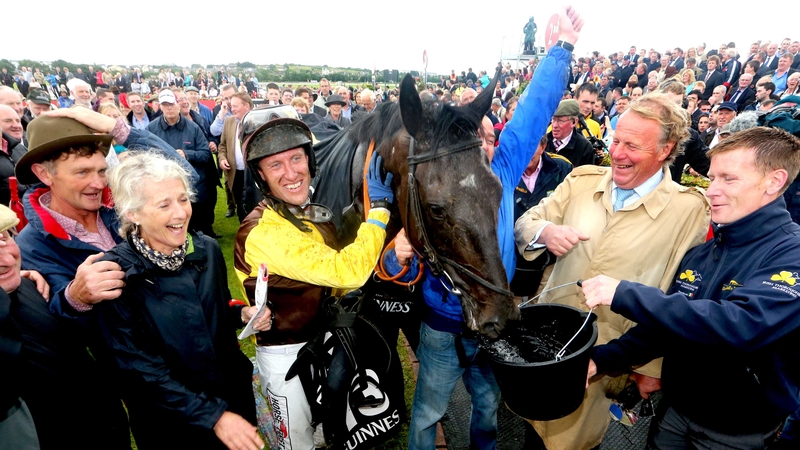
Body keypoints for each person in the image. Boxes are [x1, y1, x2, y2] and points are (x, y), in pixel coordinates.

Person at [383, 8, 583, 450]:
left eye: (489, 136)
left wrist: (561, 50)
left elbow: (533, 112)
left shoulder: (504, 168)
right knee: (429, 411)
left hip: (496, 319)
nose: (483, 146)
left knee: (488, 407)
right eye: (476, 139)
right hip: (442, 324)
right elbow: (392, 257)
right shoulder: (435, 181)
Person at [513, 93, 710, 450]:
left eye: (632, 145)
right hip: (546, 343)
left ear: (665, 150)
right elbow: (528, 221)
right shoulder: (582, 181)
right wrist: (546, 232)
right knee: (534, 426)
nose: (617, 153)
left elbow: (677, 297)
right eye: (616, 139)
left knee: (575, 441)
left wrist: (650, 370)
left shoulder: (689, 211)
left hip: (605, 357)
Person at [584, 126, 800, 450]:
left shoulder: (791, 253)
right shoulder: (703, 252)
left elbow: (742, 324)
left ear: (774, 181)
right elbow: (666, 325)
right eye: (712, 178)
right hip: (675, 414)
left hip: (737, 432)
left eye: (728, 179)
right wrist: (599, 361)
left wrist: (624, 293)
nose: (712, 191)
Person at [234, 117, 394, 449]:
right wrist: (377, 212)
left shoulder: (304, 213)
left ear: (310, 159)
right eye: (275, 164)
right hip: (285, 356)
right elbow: (346, 272)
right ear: (260, 175)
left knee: (333, 430)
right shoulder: (263, 231)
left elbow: (333, 285)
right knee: (296, 444)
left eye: (296, 158)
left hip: (324, 340)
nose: (291, 173)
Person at [92, 152, 260, 450]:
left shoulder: (206, 248)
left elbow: (215, 309)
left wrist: (243, 314)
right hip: (173, 424)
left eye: (183, 199)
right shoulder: (115, 276)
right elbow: (138, 369)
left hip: (231, 401)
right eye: (164, 204)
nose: (181, 213)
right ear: (133, 213)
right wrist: (213, 416)